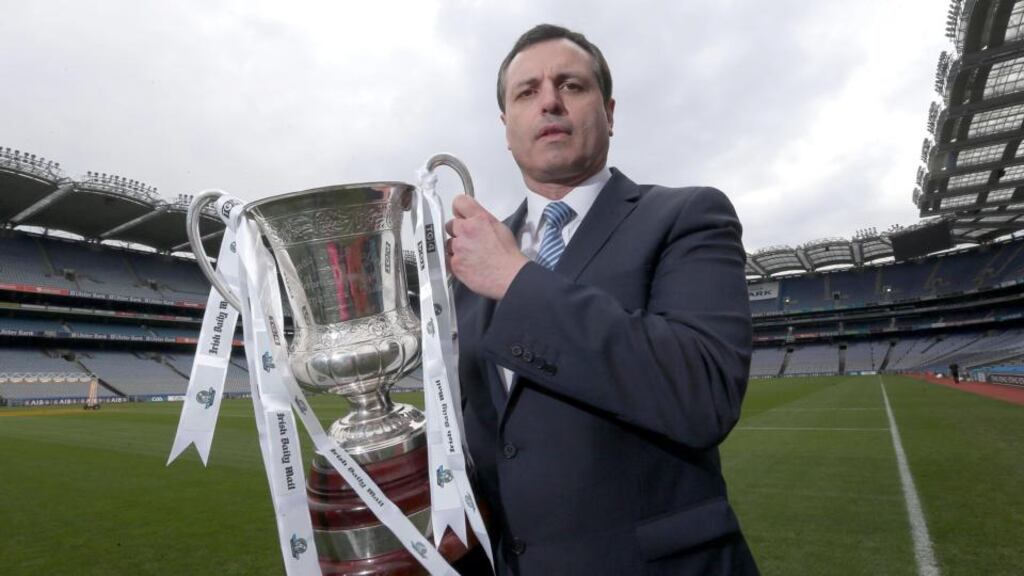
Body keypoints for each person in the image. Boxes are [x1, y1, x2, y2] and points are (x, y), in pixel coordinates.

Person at [447, 24, 758, 575]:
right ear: (506, 127)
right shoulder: (469, 264)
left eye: (571, 85)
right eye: (526, 92)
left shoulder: (687, 217)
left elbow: (702, 393)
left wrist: (516, 281)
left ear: (609, 112)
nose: (549, 101)